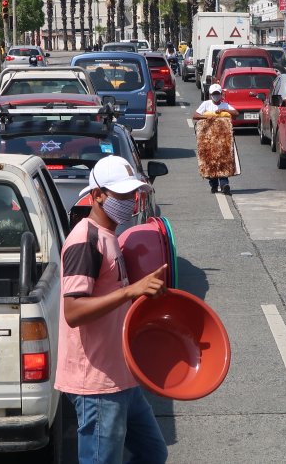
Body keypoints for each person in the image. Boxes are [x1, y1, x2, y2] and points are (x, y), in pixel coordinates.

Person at [57, 156, 168, 464]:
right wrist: (130, 291)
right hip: (96, 384)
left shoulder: (110, 236)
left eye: (132, 194)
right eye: (120, 195)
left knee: (152, 453)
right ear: (97, 195)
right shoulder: (86, 239)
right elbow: (74, 310)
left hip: (120, 377)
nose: (129, 201)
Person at [194, 83, 234, 194]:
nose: (216, 96)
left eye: (218, 94)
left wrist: (223, 111)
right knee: (210, 162)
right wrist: (206, 116)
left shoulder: (225, 105)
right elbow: (195, 115)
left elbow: (236, 113)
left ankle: (224, 184)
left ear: (221, 94)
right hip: (208, 139)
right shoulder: (206, 104)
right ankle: (214, 185)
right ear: (210, 95)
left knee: (222, 160)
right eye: (214, 94)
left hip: (222, 139)